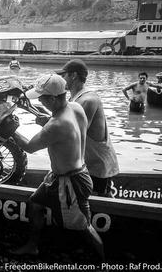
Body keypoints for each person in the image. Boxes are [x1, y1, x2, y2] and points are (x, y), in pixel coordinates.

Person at [9, 75, 105, 261]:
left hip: (71, 184)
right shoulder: (75, 108)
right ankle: (32, 246)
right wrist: (47, 120)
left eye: (42, 99)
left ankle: (102, 263)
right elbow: (70, 134)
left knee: (84, 227)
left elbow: (29, 146)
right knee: (35, 203)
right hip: (63, 175)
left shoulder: (56, 125)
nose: (40, 102)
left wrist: (10, 130)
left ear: (52, 99)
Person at [56, 59, 119, 197]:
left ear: (73, 76)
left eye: (63, 75)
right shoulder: (75, 98)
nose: (61, 79)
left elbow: (72, 133)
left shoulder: (87, 100)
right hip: (87, 164)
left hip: (97, 167)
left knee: (97, 205)